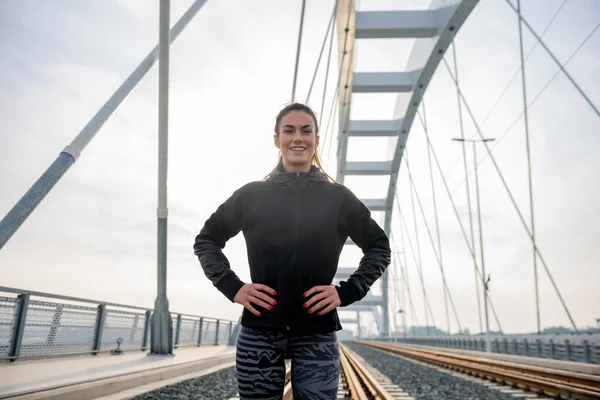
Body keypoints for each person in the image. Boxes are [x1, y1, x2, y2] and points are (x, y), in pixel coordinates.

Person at [193, 103, 391, 399]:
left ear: (316, 140)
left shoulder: (339, 198)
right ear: (277, 139)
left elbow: (379, 247)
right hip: (260, 330)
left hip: (317, 330)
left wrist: (346, 292)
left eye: (306, 130)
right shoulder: (251, 195)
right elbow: (206, 240)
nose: (298, 137)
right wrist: (232, 287)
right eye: (289, 130)